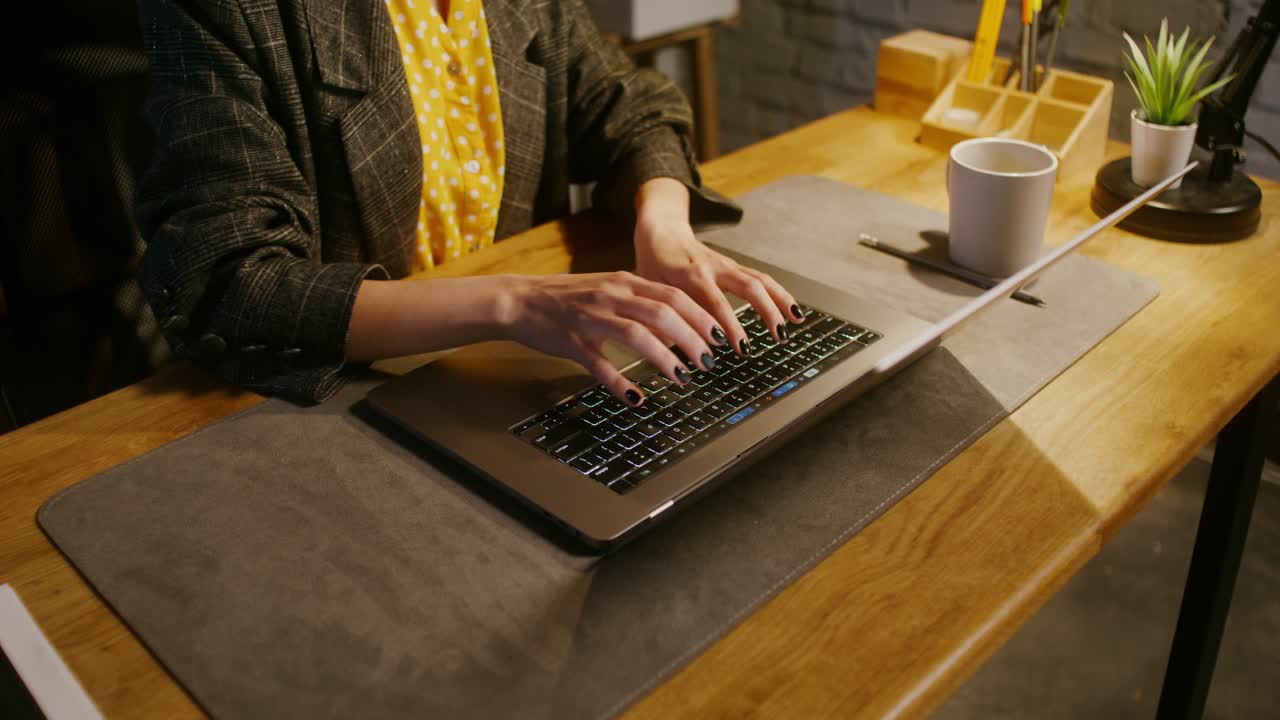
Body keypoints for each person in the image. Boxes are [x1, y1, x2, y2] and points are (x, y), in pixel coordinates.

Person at [135, 0, 804, 406]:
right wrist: (515, 303)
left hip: (504, 375)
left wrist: (663, 228)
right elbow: (233, 282)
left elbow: (629, 106)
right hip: (348, 391)